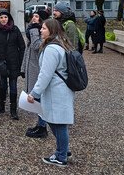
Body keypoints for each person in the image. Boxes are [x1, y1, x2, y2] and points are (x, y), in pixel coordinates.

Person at [27, 18, 75, 168]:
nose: (41, 30)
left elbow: (45, 74)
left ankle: (61, 156)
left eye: (44, 28)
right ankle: (64, 150)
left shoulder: (52, 49)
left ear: (52, 31)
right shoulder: (60, 44)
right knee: (56, 122)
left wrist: (34, 93)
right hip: (60, 90)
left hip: (56, 91)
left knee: (58, 123)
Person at [0, 9, 25, 120]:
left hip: (13, 62)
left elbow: (22, 47)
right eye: (1, 17)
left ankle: (13, 110)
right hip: (0, 62)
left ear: (9, 18)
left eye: (5, 17)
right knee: (2, 85)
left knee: (13, 87)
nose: (3, 19)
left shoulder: (15, 30)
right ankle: (1, 106)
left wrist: (21, 63)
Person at [21, 10, 49, 138]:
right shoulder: (35, 29)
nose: (33, 18)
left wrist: (33, 31)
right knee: (37, 97)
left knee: (38, 97)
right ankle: (40, 124)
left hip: (37, 68)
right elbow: (28, 50)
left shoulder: (40, 32)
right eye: (33, 16)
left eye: (37, 16)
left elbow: (36, 46)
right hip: (31, 66)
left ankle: (42, 126)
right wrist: (23, 67)